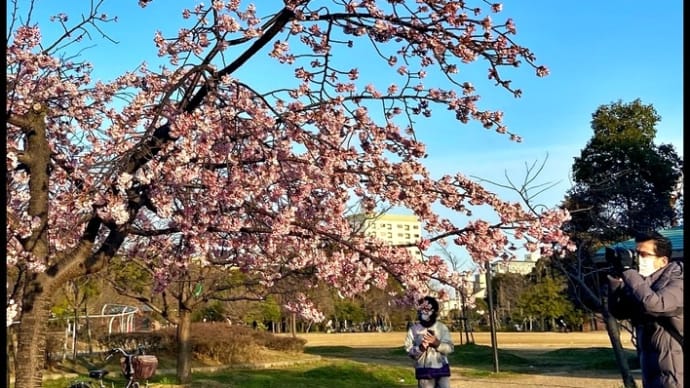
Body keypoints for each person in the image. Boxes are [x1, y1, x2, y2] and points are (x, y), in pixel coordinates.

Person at [606, 231, 683, 388]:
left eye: (644, 254)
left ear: (663, 261)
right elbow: (620, 311)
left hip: (676, 375)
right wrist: (616, 279)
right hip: (652, 373)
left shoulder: (678, 282)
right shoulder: (643, 285)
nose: (638, 259)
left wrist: (628, 271)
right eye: (636, 254)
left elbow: (654, 304)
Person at [404, 296, 454, 388]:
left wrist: (437, 343)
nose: (425, 313)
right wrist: (420, 348)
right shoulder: (414, 329)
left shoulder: (442, 328)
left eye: (428, 310)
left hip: (442, 369)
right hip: (424, 371)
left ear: (434, 311)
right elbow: (408, 350)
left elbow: (450, 348)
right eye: (422, 309)